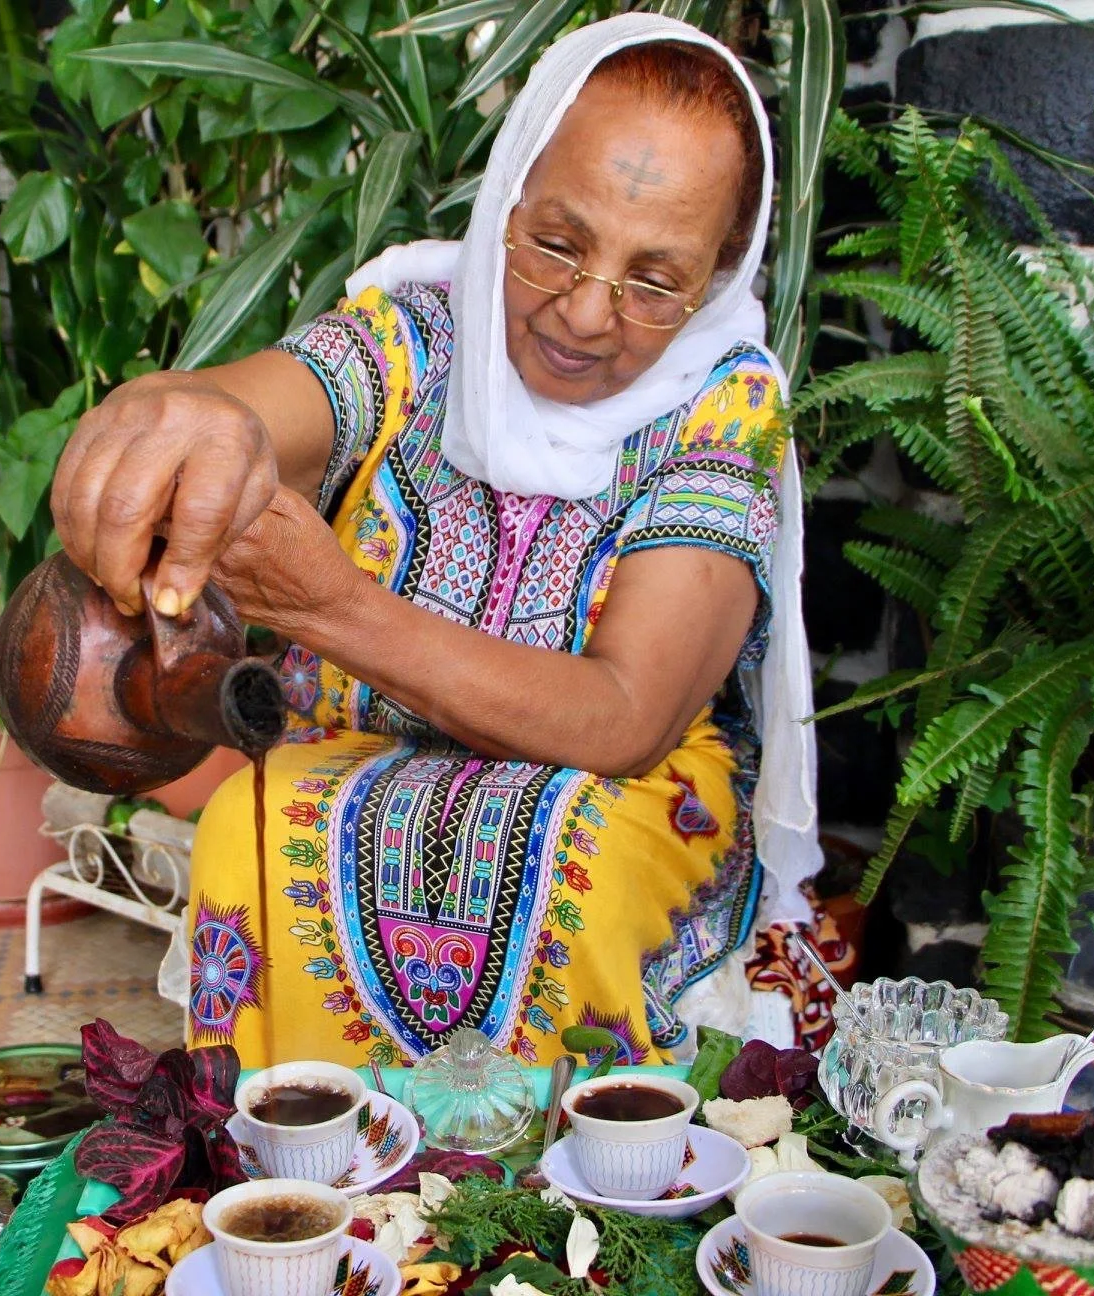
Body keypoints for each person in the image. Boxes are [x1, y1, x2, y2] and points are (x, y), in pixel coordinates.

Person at [48, 13, 820, 1067]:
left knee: (569, 862)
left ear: (720, 274)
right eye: (555, 241)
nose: (589, 313)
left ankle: (568, 1219)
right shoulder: (418, 330)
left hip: (619, 791)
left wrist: (335, 611)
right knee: (252, 821)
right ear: (507, 193)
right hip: (365, 754)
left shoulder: (723, 409)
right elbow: (254, 404)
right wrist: (185, 424)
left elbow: (626, 717)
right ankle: (304, 1198)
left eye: (654, 281)